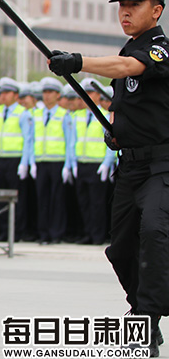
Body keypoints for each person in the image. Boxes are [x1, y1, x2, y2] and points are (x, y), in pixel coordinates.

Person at [48, 0, 169, 357]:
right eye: (122, 5)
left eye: (135, 5)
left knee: (154, 231)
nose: (126, 12)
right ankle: (147, 303)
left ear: (157, 10)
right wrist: (115, 134)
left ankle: (145, 317)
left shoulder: (160, 49)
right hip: (130, 165)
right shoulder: (128, 47)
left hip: (162, 164)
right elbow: (127, 108)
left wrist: (79, 63)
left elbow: (127, 67)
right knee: (119, 249)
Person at [30, 77, 75, 245]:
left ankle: (56, 233)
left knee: (57, 199)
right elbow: (31, 139)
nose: (47, 96)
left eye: (50, 92)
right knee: (42, 199)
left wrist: (68, 165)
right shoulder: (36, 114)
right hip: (40, 161)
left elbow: (70, 141)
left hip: (58, 162)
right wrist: (30, 161)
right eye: (45, 92)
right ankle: (43, 233)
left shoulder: (64, 115)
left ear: (58, 95)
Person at [0, 77, 35, 241]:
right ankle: (4, 231)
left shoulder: (22, 113)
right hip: (0, 158)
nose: (3, 96)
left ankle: (17, 232)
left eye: (7, 93)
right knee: (0, 198)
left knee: (17, 199)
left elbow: (27, 139)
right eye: (2, 93)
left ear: (16, 95)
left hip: (15, 160)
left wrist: (24, 163)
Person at [73, 79, 115, 245]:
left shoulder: (105, 116)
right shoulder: (78, 116)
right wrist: (71, 163)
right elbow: (73, 142)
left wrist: (106, 163)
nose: (87, 97)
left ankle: (98, 235)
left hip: (97, 164)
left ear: (98, 95)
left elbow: (111, 142)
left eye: (90, 93)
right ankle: (88, 233)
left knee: (97, 202)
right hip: (81, 163)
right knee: (83, 201)